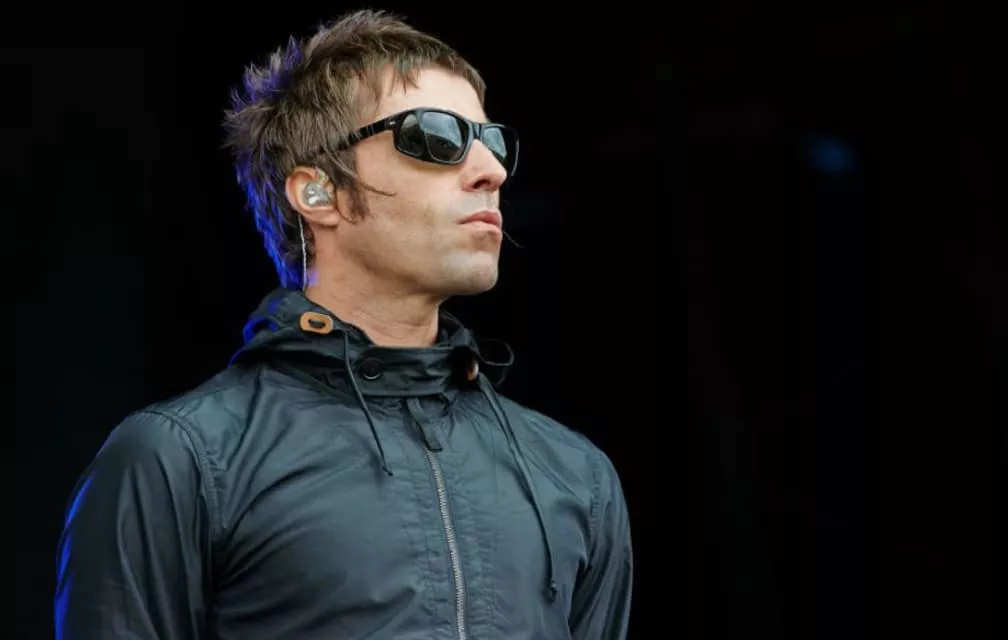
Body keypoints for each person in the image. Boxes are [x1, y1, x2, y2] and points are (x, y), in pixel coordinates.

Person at [55, 10, 632, 639]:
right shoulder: (179, 458)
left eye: (492, 141)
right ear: (317, 193)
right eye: (435, 136)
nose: (490, 170)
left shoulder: (575, 474)